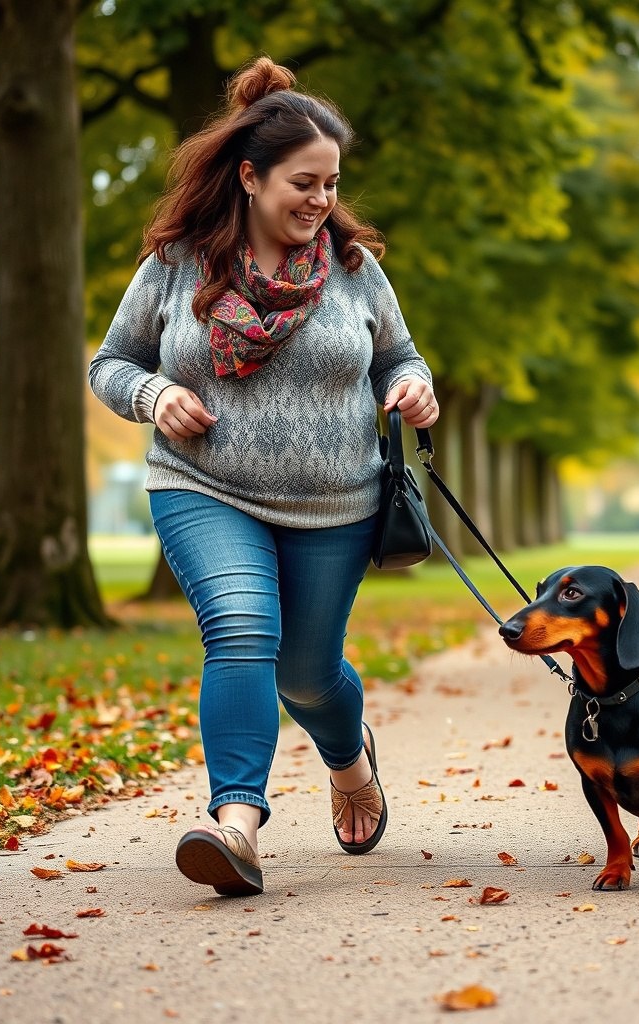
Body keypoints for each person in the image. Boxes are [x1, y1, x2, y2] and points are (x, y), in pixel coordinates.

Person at [89, 56, 438, 897]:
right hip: (205, 488)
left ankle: (349, 762)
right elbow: (110, 363)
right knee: (242, 628)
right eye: (303, 182)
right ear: (250, 177)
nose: (320, 201)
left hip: (337, 502)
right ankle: (235, 822)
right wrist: (155, 391)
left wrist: (412, 386)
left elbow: (399, 353)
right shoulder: (176, 262)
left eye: (330, 184)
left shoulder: (353, 268)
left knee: (308, 674)